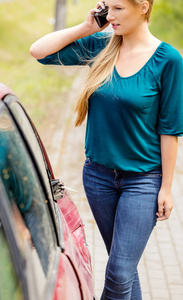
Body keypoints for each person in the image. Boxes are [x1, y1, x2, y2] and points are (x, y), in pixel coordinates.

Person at [30, 0, 183, 299]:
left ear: (143, 7)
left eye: (118, 9)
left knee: (119, 273)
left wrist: (166, 187)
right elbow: (39, 52)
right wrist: (86, 27)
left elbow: (170, 129)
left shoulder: (168, 60)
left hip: (143, 181)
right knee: (123, 267)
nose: (109, 16)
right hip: (98, 178)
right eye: (107, 8)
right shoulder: (102, 45)